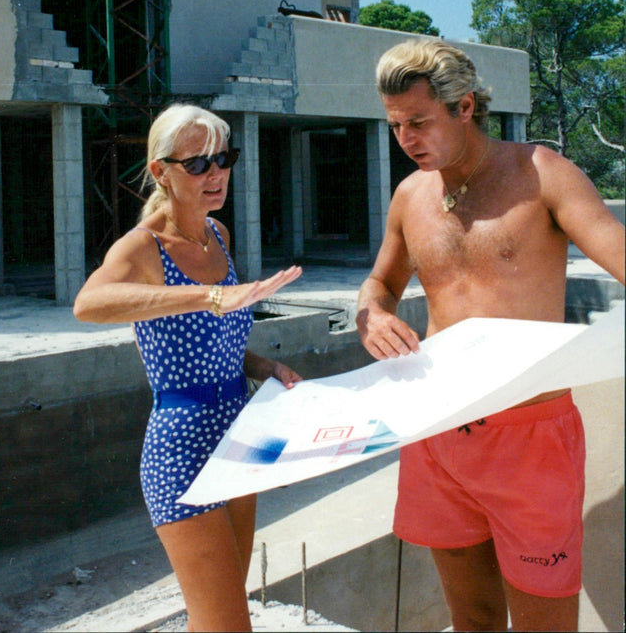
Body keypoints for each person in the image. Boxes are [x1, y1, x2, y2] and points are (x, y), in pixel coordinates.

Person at [355, 39, 625, 633]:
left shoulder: (542, 174)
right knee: (473, 620)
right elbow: (379, 284)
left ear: (466, 107)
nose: (406, 138)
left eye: (419, 122)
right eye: (396, 124)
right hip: (436, 432)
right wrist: (372, 314)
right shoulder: (409, 196)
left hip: (529, 439)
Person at [73, 103, 303, 632]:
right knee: (227, 625)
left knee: (222, 616)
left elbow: (209, 341)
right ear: (161, 171)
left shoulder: (218, 235)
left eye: (224, 159)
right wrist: (207, 296)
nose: (215, 174)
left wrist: (262, 364)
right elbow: (88, 304)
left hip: (239, 437)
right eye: (197, 164)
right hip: (183, 448)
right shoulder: (145, 246)